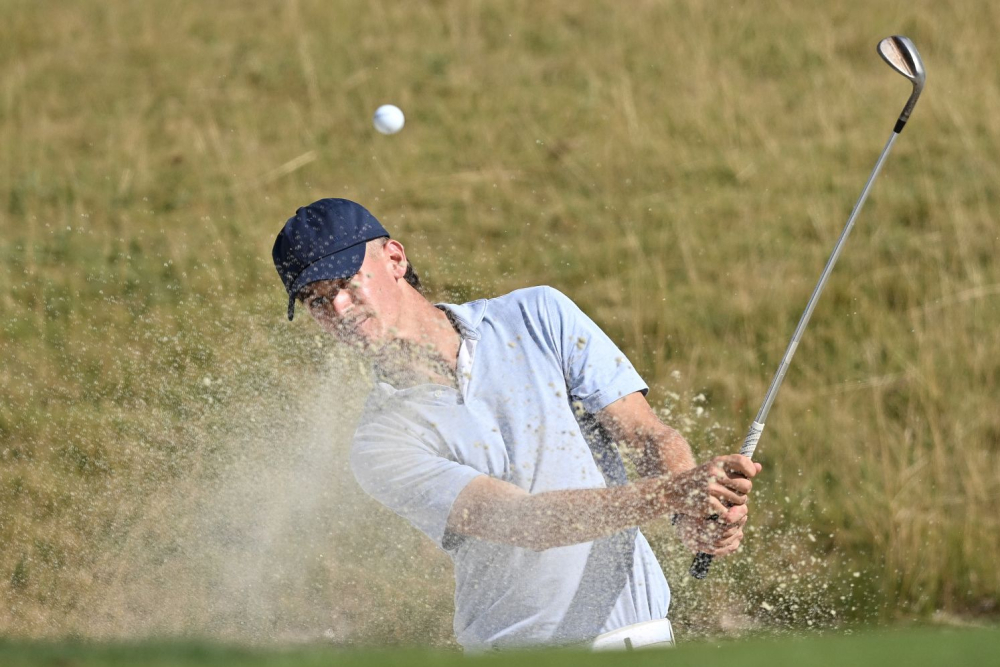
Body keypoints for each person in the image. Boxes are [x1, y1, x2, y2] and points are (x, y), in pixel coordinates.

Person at [272, 198, 762, 652]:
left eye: (345, 283)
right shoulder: (382, 442)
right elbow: (528, 523)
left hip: (646, 639)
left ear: (395, 259)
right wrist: (673, 495)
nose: (338, 309)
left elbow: (647, 434)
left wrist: (695, 514)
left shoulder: (536, 315)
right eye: (316, 301)